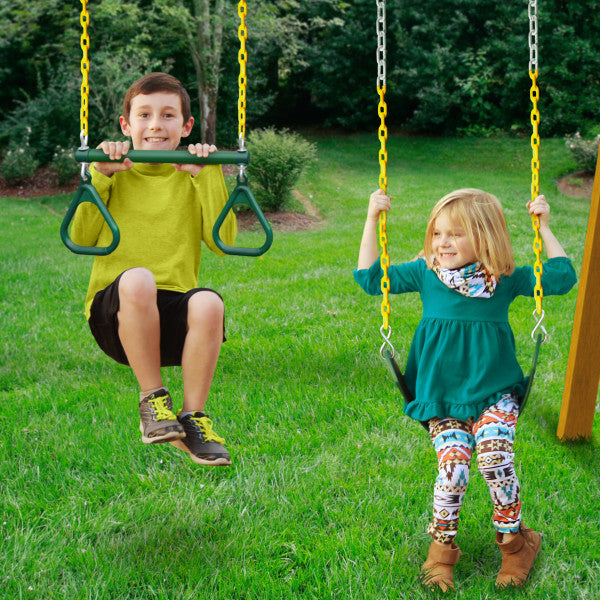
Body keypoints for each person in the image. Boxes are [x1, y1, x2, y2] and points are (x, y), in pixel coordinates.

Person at [354, 188, 576, 590]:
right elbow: (370, 280)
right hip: (441, 400)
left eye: (456, 234)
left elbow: (562, 278)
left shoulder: (504, 279)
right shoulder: (426, 273)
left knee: (493, 454)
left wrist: (544, 228)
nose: (442, 242)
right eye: (438, 233)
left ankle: (515, 543)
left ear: (486, 236)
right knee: (453, 468)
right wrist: (372, 218)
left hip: (497, 394)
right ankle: (441, 550)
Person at [71, 72, 237, 466]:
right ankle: (153, 401)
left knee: (210, 302)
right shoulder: (112, 170)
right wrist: (101, 175)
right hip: (116, 320)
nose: (156, 125)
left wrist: (209, 173)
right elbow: (82, 236)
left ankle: (193, 418)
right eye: (144, 115)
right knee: (138, 277)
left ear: (186, 126)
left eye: (167, 115)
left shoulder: (193, 175)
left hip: (172, 323)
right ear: (126, 126)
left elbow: (224, 241)